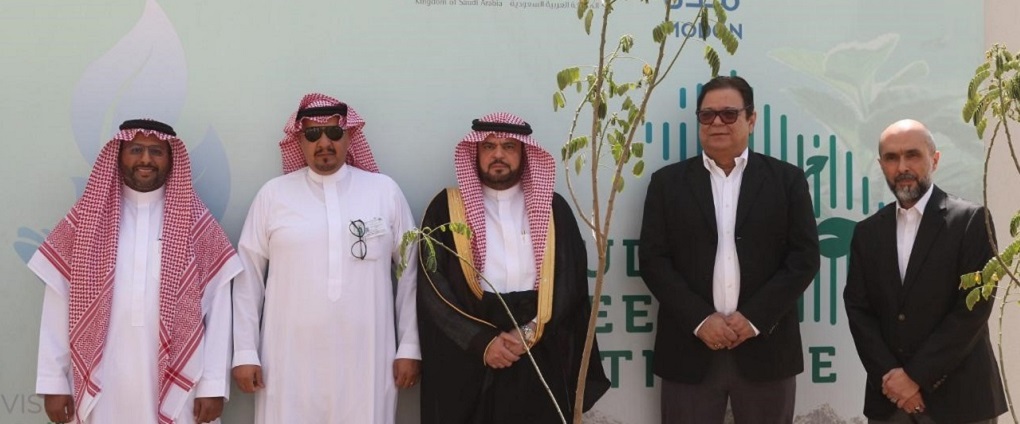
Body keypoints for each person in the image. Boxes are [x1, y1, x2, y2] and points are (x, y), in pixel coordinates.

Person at [28, 119, 242, 424]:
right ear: (118, 155)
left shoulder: (197, 227)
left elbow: (220, 310)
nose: (145, 159)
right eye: (136, 150)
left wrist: (212, 385)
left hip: (180, 383)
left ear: (171, 160)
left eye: (156, 151)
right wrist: (53, 382)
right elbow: (59, 303)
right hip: (102, 380)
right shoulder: (85, 224)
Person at [639, 75, 820, 423]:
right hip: (689, 351)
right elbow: (653, 260)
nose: (717, 123)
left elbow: (804, 258)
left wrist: (753, 319)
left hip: (766, 351)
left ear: (751, 120)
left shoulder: (786, 180)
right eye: (707, 116)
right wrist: (700, 320)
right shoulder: (667, 183)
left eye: (729, 114)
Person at [231, 93, 419, 424]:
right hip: (287, 361)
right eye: (313, 135)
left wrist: (409, 347)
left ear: (349, 136)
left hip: (368, 358)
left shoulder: (383, 191)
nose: (324, 143)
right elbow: (248, 279)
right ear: (299, 140)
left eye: (334, 133)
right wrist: (245, 352)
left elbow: (410, 275)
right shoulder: (273, 195)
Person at [416, 112, 609, 423]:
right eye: (489, 146)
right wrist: (482, 342)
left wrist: (530, 332)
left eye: (509, 146)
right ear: (475, 153)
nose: (498, 155)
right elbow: (433, 286)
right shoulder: (446, 208)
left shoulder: (552, 209)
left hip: (538, 346)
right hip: (470, 353)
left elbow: (569, 282)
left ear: (524, 153)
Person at [843, 119, 1007, 424]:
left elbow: (972, 311)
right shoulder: (867, 232)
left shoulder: (972, 222)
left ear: (935, 159)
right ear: (881, 165)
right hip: (890, 402)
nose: (902, 166)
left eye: (912, 155)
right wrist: (892, 379)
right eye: (891, 158)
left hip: (961, 400)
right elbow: (859, 310)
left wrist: (914, 377)